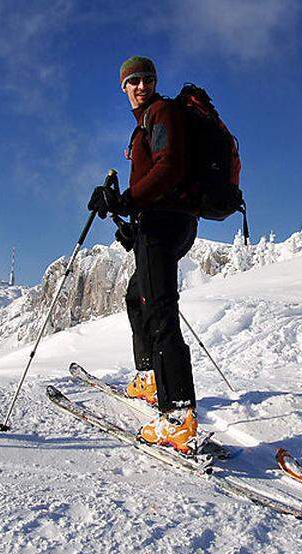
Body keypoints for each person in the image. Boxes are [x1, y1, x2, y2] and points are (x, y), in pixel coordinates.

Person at [88, 56, 200, 454]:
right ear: (123, 86)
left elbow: (169, 169)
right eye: (133, 80)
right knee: (138, 296)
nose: (140, 85)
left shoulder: (162, 113)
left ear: (154, 83)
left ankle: (178, 417)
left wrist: (126, 199)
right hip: (160, 223)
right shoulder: (145, 124)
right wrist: (131, 225)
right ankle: (151, 379)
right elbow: (157, 184)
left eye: (147, 79)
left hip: (167, 221)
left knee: (160, 312)